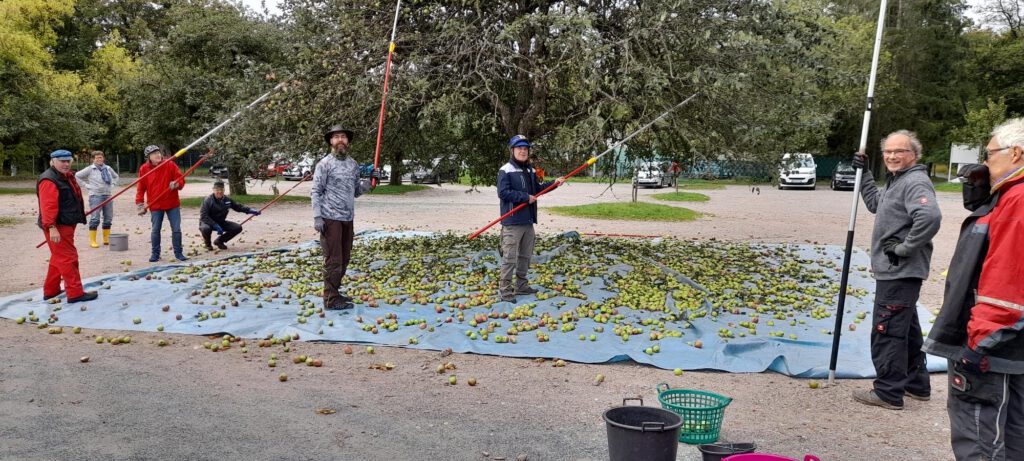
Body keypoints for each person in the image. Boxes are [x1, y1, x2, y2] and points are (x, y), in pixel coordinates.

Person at [923, 118, 1024, 460]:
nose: (985, 163)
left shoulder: (1017, 202)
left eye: (990, 154)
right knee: (1012, 437)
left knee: (980, 440)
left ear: (1016, 154)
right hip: (1013, 348)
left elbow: (1006, 284)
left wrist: (978, 345)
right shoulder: (1008, 198)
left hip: (996, 347)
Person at [851, 130, 942, 410]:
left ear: (913, 155)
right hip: (897, 272)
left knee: (887, 329)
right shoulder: (896, 181)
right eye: (888, 152)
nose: (891, 156)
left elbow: (930, 216)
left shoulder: (914, 181)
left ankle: (888, 392)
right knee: (907, 328)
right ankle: (917, 385)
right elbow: (875, 204)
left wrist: (904, 247)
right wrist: (864, 174)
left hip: (900, 270)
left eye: (899, 151)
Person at [311, 124, 377, 310]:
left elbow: (356, 190)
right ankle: (330, 299)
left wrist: (371, 182)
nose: (340, 140)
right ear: (331, 141)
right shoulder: (324, 164)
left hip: (348, 218)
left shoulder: (353, 164)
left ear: (347, 141)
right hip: (330, 218)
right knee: (334, 259)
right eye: (336, 137)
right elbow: (316, 191)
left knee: (345, 258)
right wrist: (317, 217)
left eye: (343, 137)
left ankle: (335, 292)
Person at [496, 135, 565, 303]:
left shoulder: (530, 170)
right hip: (512, 222)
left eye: (525, 148)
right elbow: (503, 193)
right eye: (519, 148)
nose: (522, 151)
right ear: (512, 150)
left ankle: (521, 286)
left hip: (528, 221)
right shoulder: (505, 170)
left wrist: (554, 184)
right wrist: (525, 197)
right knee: (510, 257)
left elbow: (538, 190)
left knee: (525, 256)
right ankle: (505, 290)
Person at [37, 150, 97, 303]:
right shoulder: (49, 180)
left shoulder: (66, 176)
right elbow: (48, 206)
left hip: (67, 223)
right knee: (68, 258)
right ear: (53, 161)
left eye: (68, 161)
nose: (66, 164)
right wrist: (51, 227)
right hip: (58, 226)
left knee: (58, 258)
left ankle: (51, 291)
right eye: (62, 161)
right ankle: (75, 293)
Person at [135, 145, 187, 262]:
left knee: (176, 229)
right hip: (155, 205)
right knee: (155, 230)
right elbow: (140, 188)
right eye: (154, 154)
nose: (158, 155)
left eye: (158, 152)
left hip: (172, 203)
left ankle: (178, 253)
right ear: (149, 157)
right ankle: (155, 254)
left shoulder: (169, 164)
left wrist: (176, 183)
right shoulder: (144, 169)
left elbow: (181, 179)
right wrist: (140, 204)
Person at [74, 150, 119, 248]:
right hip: (95, 196)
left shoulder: (108, 168)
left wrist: (113, 184)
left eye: (101, 157)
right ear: (93, 159)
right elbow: (77, 176)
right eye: (97, 158)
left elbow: (116, 176)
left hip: (107, 195)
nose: (99, 159)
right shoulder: (90, 169)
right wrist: (86, 185)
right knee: (95, 219)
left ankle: (106, 239)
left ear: (103, 158)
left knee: (108, 218)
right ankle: (93, 241)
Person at [199, 181, 259, 250]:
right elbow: (203, 216)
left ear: (224, 190)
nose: (220, 191)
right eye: (217, 190)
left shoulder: (227, 200)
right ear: (213, 190)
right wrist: (215, 224)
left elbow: (238, 207)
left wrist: (250, 210)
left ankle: (219, 241)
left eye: (221, 189)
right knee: (206, 229)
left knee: (237, 227)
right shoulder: (208, 200)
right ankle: (208, 244)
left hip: (220, 222)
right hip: (207, 222)